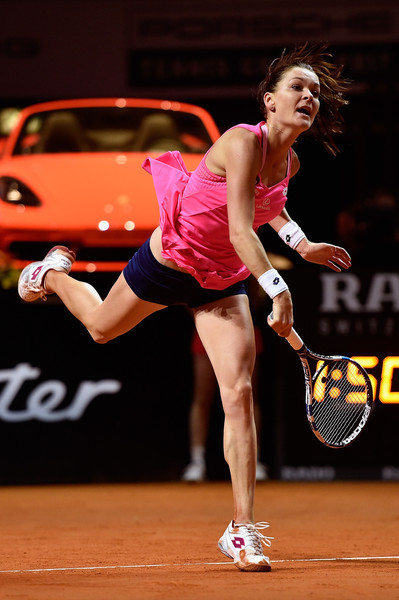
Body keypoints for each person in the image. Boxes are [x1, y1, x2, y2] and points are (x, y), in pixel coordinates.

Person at [18, 43, 351, 572]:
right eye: (297, 87)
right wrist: (278, 288)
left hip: (220, 283)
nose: (308, 97)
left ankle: (241, 530)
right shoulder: (242, 142)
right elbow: (241, 225)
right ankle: (52, 273)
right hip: (171, 259)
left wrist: (301, 243)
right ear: (269, 99)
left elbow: (273, 207)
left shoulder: (290, 160)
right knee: (101, 329)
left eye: (314, 92)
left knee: (238, 392)